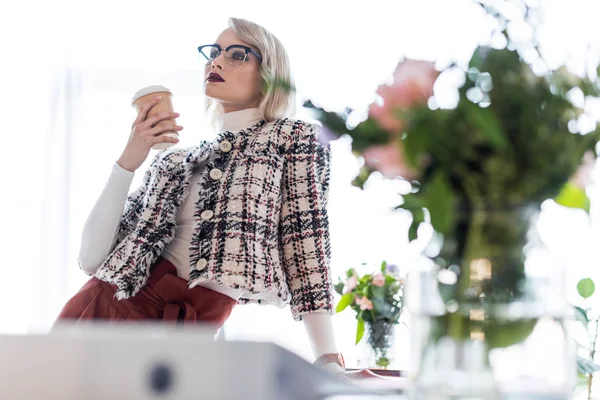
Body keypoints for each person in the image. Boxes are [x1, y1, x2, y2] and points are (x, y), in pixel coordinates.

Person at [55, 17, 346, 376]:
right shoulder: (176, 158)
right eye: (214, 53)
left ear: (269, 73)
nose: (217, 62)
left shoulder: (295, 138)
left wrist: (328, 357)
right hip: (101, 316)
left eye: (237, 54)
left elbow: (306, 246)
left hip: (188, 343)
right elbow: (91, 259)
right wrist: (129, 159)